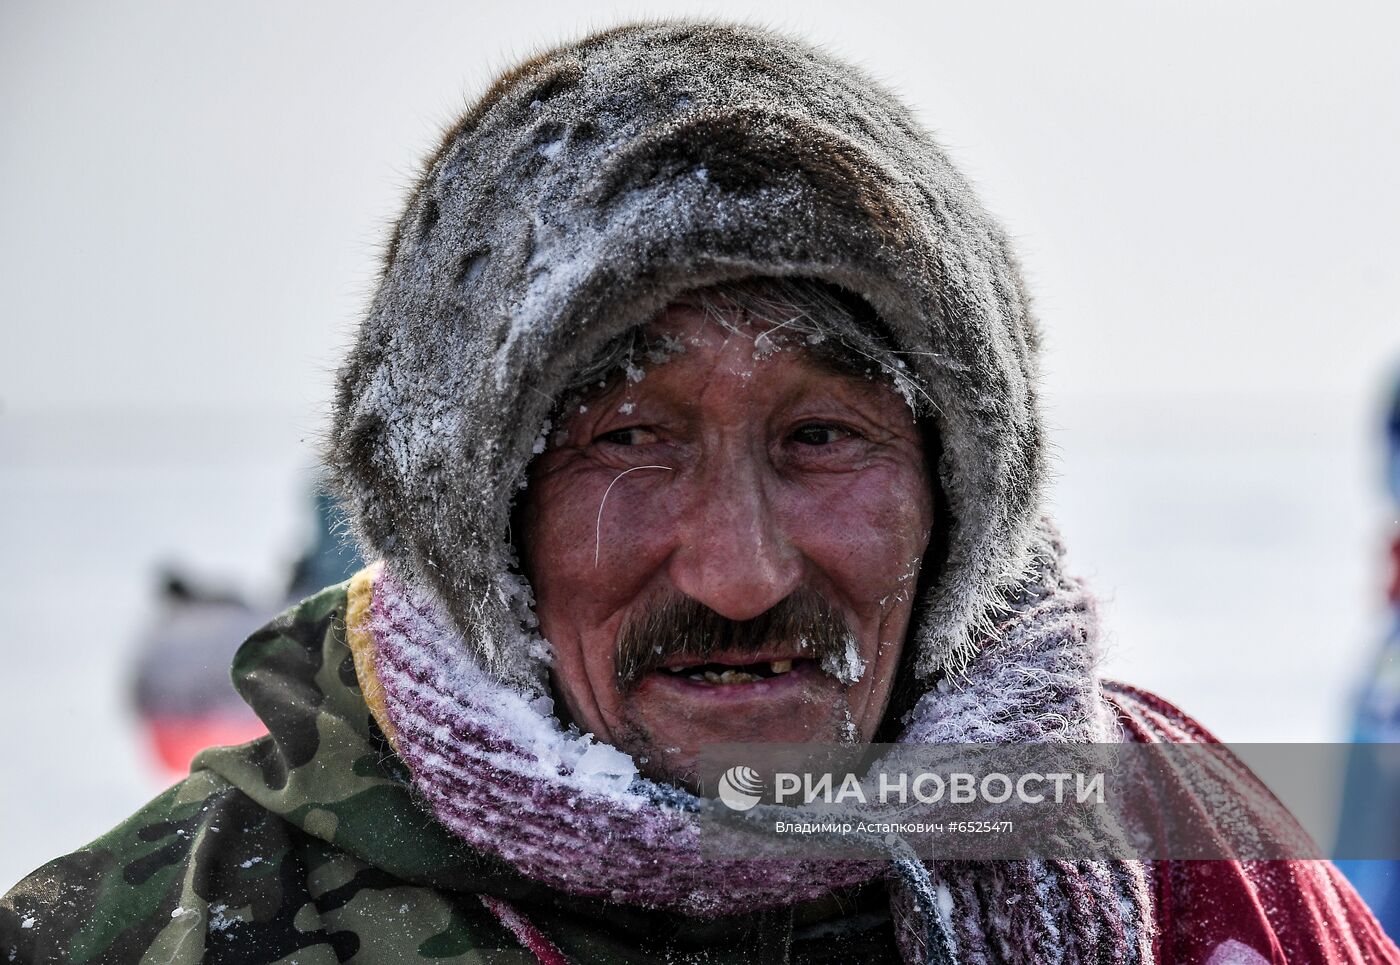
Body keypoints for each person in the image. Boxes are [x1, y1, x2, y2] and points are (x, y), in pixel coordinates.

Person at [3, 21, 1396, 964]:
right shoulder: (161, 931)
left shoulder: (1215, 886)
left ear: (959, 498)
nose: (741, 573)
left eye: (825, 436)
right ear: (470, 513)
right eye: (627, 440)